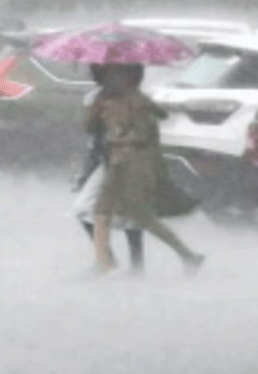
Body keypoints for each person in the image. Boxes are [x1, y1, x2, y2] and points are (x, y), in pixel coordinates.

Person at [86, 63, 204, 276]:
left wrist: (124, 115)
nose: (110, 82)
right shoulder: (106, 101)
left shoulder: (137, 101)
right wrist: (98, 108)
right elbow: (88, 126)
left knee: (142, 216)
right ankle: (102, 261)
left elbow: (150, 126)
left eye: (116, 77)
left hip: (135, 163)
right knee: (101, 211)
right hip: (117, 161)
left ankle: (188, 255)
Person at [72, 64, 145, 271]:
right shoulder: (97, 97)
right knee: (86, 210)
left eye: (96, 70)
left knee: (129, 214)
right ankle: (110, 260)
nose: (90, 74)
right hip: (110, 162)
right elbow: (93, 138)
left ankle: (129, 266)